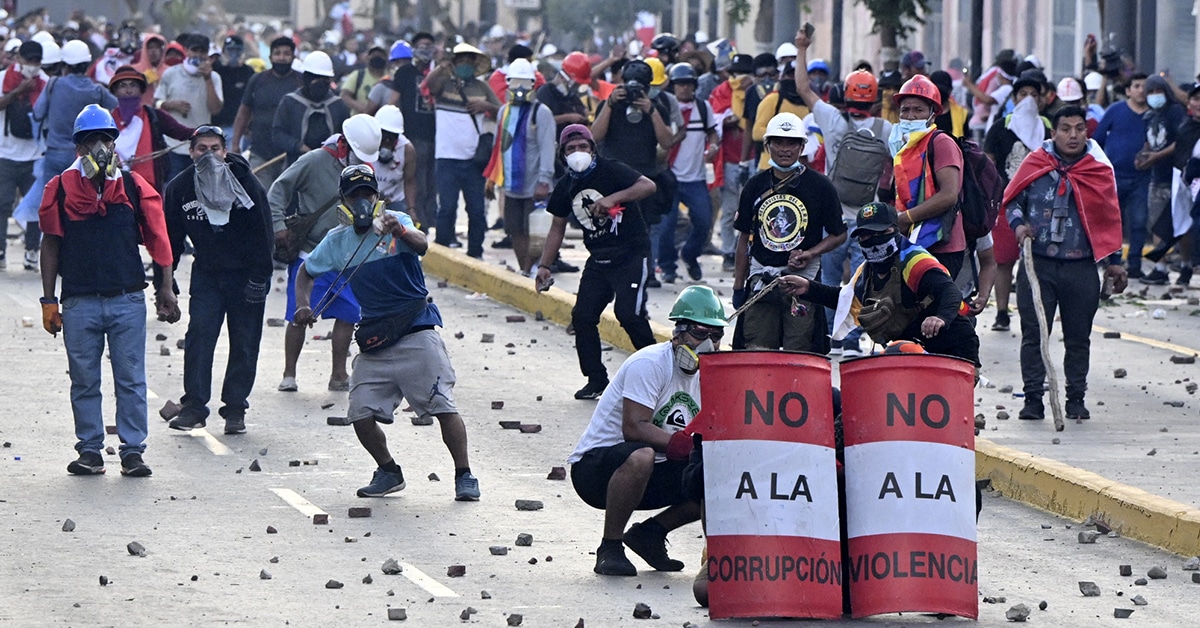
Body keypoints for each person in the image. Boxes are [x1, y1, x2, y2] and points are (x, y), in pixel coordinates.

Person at [293, 164, 481, 502]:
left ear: (378, 196)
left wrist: (401, 232)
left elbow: (422, 246)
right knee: (360, 413)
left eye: (368, 193)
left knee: (442, 405)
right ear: (344, 201)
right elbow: (305, 272)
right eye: (355, 195)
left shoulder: (397, 223)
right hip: (376, 336)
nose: (362, 200)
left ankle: (464, 475)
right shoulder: (336, 241)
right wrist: (303, 305)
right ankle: (388, 470)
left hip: (416, 330)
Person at [38, 105, 180, 476]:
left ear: (115, 144)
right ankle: (90, 450)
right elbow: (50, 244)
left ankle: (132, 451)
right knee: (84, 379)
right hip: (79, 301)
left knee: (130, 379)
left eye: (105, 139)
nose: (99, 147)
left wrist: (166, 288)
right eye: (90, 141)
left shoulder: (132, 186)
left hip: (127, 299)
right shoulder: (60, 188)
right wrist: (49, 300)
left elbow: (158, 239)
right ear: (78, 148)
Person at [567, 285, 724, 576]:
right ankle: (610, 547)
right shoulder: (650, 363)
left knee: (715, 475)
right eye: (701, 333)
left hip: (656, 472)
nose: (709, 345)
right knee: (642, 455)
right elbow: (634, 428)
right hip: (598, 471)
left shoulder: (709, 377)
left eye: (716, 336)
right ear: (679, 333)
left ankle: (650, 534)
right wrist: (685, 447)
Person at [1003, 106, 1127, 420]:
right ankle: (1032, 399)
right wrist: (1019, 226)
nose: (1073, 135)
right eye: (1066, 129)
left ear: (1087, 132)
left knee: (1078, 336)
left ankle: (1075, 399)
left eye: (1079, 129)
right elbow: (1013, 200)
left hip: (1081, 268)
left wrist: (1114, 262)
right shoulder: (1035, 164)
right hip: (1038, 266)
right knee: (1034, 333)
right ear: (1054, 132)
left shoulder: (1098, 169)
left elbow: (1109, 217)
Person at [162, 126, 273, 434]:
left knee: (245, 341)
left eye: (215, 148)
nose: (208, 155)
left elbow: (264, 235)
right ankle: (195, 407)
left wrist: (259, 279)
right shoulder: (180, 188)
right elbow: (171, 240)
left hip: (246, 273)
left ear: (225, 152)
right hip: (208, 273)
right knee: (199, 336)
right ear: (191, 153)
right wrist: (166, 282)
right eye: (201, 149)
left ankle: (235, 408)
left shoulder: (247, 184)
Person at [535, 124, 658, 399]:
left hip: (630, 253)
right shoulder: (565, 186)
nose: (578, 153)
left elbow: (647, 185)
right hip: (599, 258)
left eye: (583, 147)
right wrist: (544, 265)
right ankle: (596, 378)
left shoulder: (611, 169)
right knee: (582, 316)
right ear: (562, 155)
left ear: (592, 149)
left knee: (629, 314)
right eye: (570, 149)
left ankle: (659, 371)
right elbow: (557, 227)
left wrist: (615, 197)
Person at [778, 201, 979, 366]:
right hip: (913, 352)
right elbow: (848, 300)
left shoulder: (914, 260)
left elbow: (950, 291)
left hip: (953, 349)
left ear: (895, 230)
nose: (872, 240)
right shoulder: (868, 269)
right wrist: (808, 288)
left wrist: (939, 317)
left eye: (880, 232)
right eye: (866, 235)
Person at [794, 29, 892, 356]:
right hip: (870, 220)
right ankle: (852, 342)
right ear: (875, 99)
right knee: (862, 283)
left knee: (830, 280)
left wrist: (802, 48)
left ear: (846, 96)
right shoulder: (886, 129)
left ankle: (832, 338)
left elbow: (803, 88)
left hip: (834, 216)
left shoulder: (832, 119)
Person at [270, 113, 382, 392]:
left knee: (349, 313)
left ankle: (339, 374)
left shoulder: (366, 170)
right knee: (299, 313)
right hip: (312, 252)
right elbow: (278, 189)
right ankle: (289, 373)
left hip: (349, 253)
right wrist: (277, 224)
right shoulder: (314, 161)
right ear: (344, 145)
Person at [732, 112, 846, 352]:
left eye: (792, 143)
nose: (785, 149)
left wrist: (811, 253)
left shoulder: (821, 186)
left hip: (802, 284)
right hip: (761, 281)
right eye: (778, 142)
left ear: (802, 146)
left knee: (799, 354)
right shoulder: (755, 186)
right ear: (767, 146)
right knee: (757, 351)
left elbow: (839, 234)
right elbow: (744, 239)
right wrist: (738, 286)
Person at [21, 41, 118, 273]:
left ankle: (39, 253)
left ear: (64, 64)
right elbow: (114, 106)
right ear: (86, 64)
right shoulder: (96, 90)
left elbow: (37, 113)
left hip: (54, 154)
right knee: (84, 204)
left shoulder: (54, 84)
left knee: (49, 205)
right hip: (87, 156)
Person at [984, 69, 1052, 332]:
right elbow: (988, 164)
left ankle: (1034, 313)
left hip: (1040, 201)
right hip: (1005, 200)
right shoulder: (1002, 127)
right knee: (1004, 259)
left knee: (1036, 259)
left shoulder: (1048, 127)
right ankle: (1002, 311)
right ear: (1014, 98)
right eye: (1023, 94)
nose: (1029, 100)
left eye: (1034, 95)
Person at [423, 42, 501, 257]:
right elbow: (428, 85)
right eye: (461, 60)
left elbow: (501, 112)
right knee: (446, 209)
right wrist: (441, 66)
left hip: (473, 159)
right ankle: (441, 252)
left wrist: (486, 107)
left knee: (476, 210)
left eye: (469, 61)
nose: (465, 64)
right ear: (454, 62)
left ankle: (475, 251)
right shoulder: (444, 85)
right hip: (446, 157)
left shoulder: (482, 87)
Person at [889, 74, 967, 276]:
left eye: (918, 110)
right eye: (905, 110)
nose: (910, 116)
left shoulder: (941, 143)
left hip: (942, 245)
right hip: (911, 241)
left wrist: (905, 218)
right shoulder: (902, 146)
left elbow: (949, 195)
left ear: (932, 116)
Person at [483, 58, 555, 274]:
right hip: (511, 185)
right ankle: (525, 269)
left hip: (534, 185)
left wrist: (545, 180)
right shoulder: (503, 111)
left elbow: (547, 148)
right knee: (515, 230)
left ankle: (531, 268)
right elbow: (499, 147)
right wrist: (492, 179)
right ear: (508, 84)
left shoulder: (541, 113)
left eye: (525, 83)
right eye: (515, 83)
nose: (520, 89)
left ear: (533, 85)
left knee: (535, 231)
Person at [366, 34, 437, 230]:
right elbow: (392, 102)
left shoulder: (438, 72)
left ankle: (428, 224)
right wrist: (388, 123)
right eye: (421, 46)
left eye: (429, 46)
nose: (425, 49)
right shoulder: (405, 73)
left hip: (436, 136)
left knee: (431, 185)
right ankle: (419, 224)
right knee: (419, 183)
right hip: (414, 134)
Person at [656, 62, 718, 283]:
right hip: (669, 177)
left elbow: (713, 133)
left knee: (704, 221)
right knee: (666, 226)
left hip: (695, 178)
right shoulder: (664, 108)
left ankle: (690, 255)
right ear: (672, 86)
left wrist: (713, 147)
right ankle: (667, 266)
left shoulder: (703, 108)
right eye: (680, 84)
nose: (684, 88)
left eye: (688, 84)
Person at [1094, 73, 1150, 278]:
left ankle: (1134, 264)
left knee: (1139, 220)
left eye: (1145, 86)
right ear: (1128, 90)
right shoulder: (1115, 110)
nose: (1141, 90)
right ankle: (1109, 259)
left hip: (1141, 177)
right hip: (1114, 176)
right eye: (1136, 86)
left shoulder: (1152, 114)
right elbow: (1097, 139)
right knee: (1110, 220)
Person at [107, 65, 194, 192]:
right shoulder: (106, 120)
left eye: (133, 85)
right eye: (122, 86)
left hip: (149, 186)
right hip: (115, 186)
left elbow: (180, 132)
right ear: (115, 91)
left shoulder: (154, 116)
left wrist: (203, 132)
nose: (128, 90)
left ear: (141, 89)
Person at [232, 36, 302, 189]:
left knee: (286, 200)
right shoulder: (257, 80)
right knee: (261, 197)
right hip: (260, 152)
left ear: (293, 57)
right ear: (270, 57)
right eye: (277, 53)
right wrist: (235, 144)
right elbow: (244, 111)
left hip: (291, 155)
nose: (281, 58)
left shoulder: (301, 82)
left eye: (286, 54)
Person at [1138, 75, 1188, 285]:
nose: (1154, 96)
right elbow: (1148, 142)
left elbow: (1181, 141)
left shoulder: (1175, 112)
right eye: (1150, 92)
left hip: (1176, 177)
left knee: (1180, 225)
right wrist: (1143, 156)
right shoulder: (1150, 115)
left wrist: (1158, 156)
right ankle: (1160, 267)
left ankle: (1186, 265)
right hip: (1156, 177)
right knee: (1157, 223)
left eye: (1158, 91)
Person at [0, 41, 45, 272]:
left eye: (37, 61)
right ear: (19, 59)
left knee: (35, 207)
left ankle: (32, 251)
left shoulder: (45, 82)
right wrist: (19, 92)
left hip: (34, 155)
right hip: (5, 154)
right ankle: (0, 251)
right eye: (29, 60)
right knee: (2, 204)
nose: (33, 66)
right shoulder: (3, 79)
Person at [154, 34, 223, 184]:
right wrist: (170, 105)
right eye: (194, 50)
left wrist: (208, 79)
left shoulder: (214, 77)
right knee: (174, 187)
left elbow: (215, 109)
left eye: (202, 51)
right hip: (173, 146)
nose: (198, 55)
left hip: (202, 147)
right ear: (186, 51)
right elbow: (156, 104)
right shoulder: (171, 74)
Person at [272, 50, 350, 166]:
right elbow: (278, 134)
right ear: (306, 78)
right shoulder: (290, 102)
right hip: (297, 165)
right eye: (316, 78)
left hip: (330, 166)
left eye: (325, 79)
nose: (321, 83)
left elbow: (347, 136)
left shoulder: (338, 105)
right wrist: (298, 146)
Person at [372, 104, 416, 215]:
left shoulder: (407, 150)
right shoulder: (366, 143)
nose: (387, 142)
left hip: (393, 201)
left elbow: (409, 181)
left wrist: (411, 209)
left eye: (391, 138)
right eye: (384, 136)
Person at [212, 36, 253, 144]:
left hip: (239, 128)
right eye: (230, 50)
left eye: (237, 50)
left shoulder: (248, 72)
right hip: (217, 126)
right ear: (223, 52)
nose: (234, 54)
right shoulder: (215, 70)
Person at [340, 45, 386, 114]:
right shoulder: (358, 75)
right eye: (374, 55)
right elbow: (344, 95)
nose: (377, 58)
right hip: (359, 119)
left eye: (380, 55)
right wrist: (363, 108)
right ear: (368, 58)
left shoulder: (390, 77)